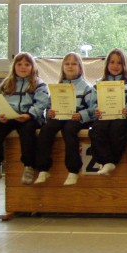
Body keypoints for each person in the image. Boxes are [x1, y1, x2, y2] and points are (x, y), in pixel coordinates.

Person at [0, 53, 49, 187]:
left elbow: (42, 103)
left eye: (27, 64)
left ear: (32, 67)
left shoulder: (39, 84)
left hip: (29, 117)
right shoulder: (7, 83)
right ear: (14, 67)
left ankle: (29, 166)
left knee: (28, 132)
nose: (23, 67)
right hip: (9, 117)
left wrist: (29, 114)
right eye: (19, 64)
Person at [34, 52, 94, 186]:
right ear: (63, 67)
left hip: (76, 119)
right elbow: (49, 106)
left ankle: (73, 170)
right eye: (67, 64)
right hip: (59, 117)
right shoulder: (58, 87)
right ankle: (43, 169)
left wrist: (81, 115)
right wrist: (50, 112)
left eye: (74, 64)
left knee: (69, 130)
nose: (70, 67)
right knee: (46, 129)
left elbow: (92, 109)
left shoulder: (86, 87)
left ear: (80, 67)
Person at [89, 48, 127, 176]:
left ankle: (112, 161)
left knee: (117, 128)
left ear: (124, 65)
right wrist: (95, 111)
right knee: (96, 130)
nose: (115, 66)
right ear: (107, 64)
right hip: (103, 117)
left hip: (121, 117)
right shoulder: (99, 84)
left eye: (119, 63)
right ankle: (106, 161)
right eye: (112, 62)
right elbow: (92, 104)